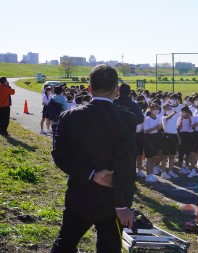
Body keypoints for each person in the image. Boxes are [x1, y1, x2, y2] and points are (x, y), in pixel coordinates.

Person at [50, 65, 137, 253]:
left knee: (65, 243)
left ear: (89, 88)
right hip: (111, 199)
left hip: (79, 193)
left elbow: (60, 155)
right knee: (109, 247)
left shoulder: (69, 117)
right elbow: (126, 165)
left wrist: (91, 174)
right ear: (116, 90)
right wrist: (122, 205)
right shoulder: (127, 119)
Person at [161, 102, 180, 179]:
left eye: (170, 107)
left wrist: (178, 138)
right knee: (165, 156)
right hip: (167, 136)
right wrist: (173, 113)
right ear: (164, 109)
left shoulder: (174, 118)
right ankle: (163, 172)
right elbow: (168, 117)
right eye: (167, 107)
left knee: (172, 155)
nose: (169, 108)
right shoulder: (163, 117)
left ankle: (170, 171)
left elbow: (175, 129)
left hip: (174, 136)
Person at [143, 103, 162, 183]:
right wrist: (155, 127)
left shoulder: (157, 118)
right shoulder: (147, 119)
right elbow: (146, 131)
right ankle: (148, 175)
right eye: (154, 109)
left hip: (155, 138)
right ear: (150, 110)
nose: (156, 111)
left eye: (157, 109)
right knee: (149, 158)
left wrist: (159, 127)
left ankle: (151, 174)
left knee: (154, 157)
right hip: (149, 139)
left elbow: (159, 127)